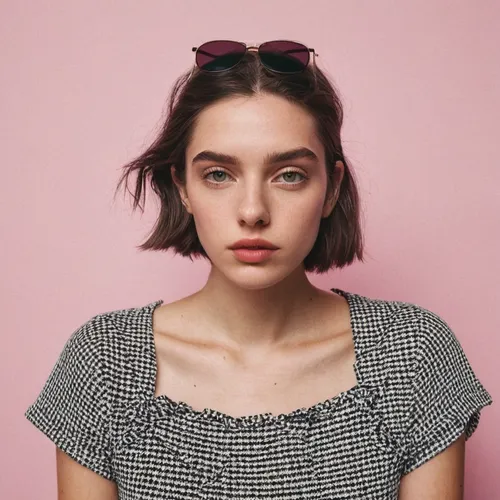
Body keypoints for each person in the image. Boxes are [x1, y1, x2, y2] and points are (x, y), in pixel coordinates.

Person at [25, 40, 493, 499]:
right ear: (183, 187)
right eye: (218, 175)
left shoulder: (410, 355)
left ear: (331, 189)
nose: (252, 211)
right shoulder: (106, 361)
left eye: (289, 174)